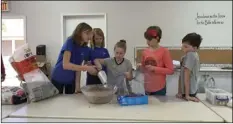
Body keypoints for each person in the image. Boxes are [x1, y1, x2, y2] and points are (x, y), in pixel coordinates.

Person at [51, 22, 97, 94]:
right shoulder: (70, 41)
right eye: (87, 33)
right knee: (56, 103)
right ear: (79, 32)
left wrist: (78, 88)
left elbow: (78, 69)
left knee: (71, 103)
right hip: (58, 77)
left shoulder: (86, 49)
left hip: (71, 80)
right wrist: (86, 68)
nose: (89, 36)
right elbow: (65, 65)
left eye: (90, 33)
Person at [138, 26, 174, 96]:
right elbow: (143, 69)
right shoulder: (145, 52)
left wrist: (154, 68)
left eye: (149, 40)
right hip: (147, 88)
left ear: (157, 38)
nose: (147, 42)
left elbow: (170, 70)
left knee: (159, 107)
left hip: (159, 88)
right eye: (147, 39)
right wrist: (140, 67)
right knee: (148, 106)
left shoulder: (164, 51)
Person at [176, 33, 202, 102]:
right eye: (182, 45)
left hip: (189, 92)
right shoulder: (187, 56)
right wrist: (180, 92)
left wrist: (187, 95)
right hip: (187, 92)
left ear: (195, 48)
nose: (182, 48)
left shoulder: (191, 55)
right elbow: (181, 75)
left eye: (186, 46)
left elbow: (186, 76)